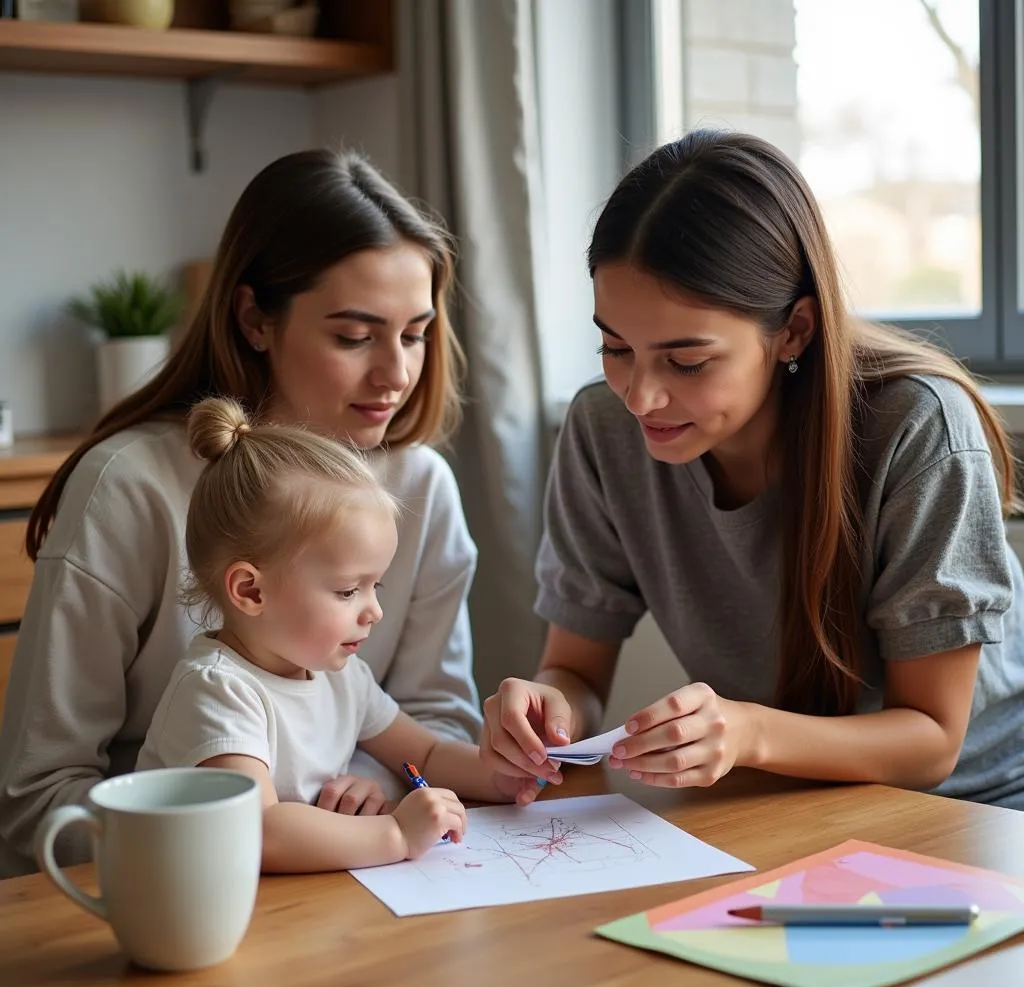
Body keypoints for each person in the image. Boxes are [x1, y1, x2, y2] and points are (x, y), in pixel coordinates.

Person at [481, 129, 1024, 810]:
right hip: (779, 796)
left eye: (687, 361)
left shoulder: (916, 428)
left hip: (978, 803)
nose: (641, 396)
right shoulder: (602, 430)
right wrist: (547, 711)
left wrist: (746, 733)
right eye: (615, 346)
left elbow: (933, 742)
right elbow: (576, 672)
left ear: (793, 330)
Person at [0, 150, 482, 876]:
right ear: (256, 318)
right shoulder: (128, 487)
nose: (397, 374)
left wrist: (372, 798)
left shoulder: (422, 486)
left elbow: (435, 728)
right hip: (170, 885)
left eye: (414, 333)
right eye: (354, 336)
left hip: (356, 880)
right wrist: (222, 839)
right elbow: (37, 796)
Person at [138, 400, 533, 872]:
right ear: (250, 590)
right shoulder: (217, 690)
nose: (375, 611)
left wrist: (503, 775)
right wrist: (396, 833)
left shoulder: (342, 677)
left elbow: (426, 753)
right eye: (349, 590)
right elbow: (259, 833)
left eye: (376, 585)